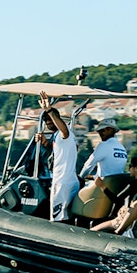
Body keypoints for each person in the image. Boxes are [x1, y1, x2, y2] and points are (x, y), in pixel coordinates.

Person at [36, 91, 79, 222]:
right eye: (45, 120)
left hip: (62, 183)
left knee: (58, 219)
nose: (48, 122)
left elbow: (63, 130)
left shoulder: (64, 134)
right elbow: (58, 152)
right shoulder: (58, 138)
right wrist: (45, 143)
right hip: (67, 180)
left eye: (50, 119)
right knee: (64, 216)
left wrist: (49, 109)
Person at [91, 156, 137, 233]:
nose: (128, 169)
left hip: (124, 220)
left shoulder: (134, 184)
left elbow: (117, 200)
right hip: (135, 220)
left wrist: (102, 186)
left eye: (130, 166)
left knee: (92, 230)